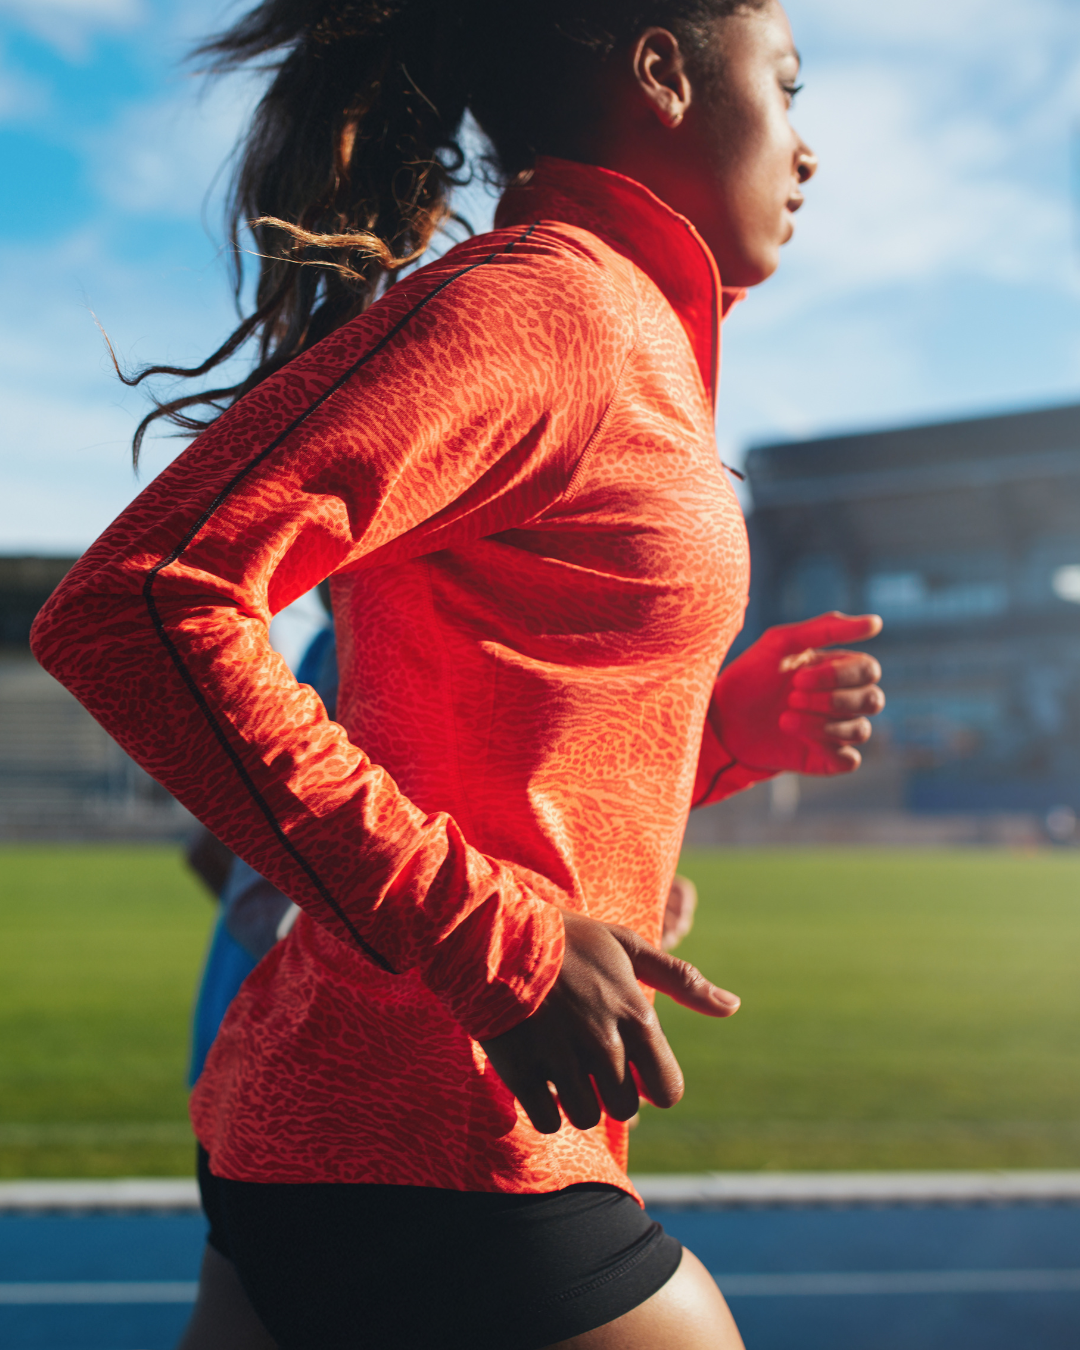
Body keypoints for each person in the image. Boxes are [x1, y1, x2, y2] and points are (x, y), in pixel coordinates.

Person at [31, 2, 886, 1346]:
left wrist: (714, 739)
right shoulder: (548, 308)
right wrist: (509, 950)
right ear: (662, 72)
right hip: (440, 1139)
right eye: (785, 85)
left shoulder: (624, 331)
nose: (809, 149)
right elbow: (139, 602)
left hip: (343, 1133)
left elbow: (490, 746)